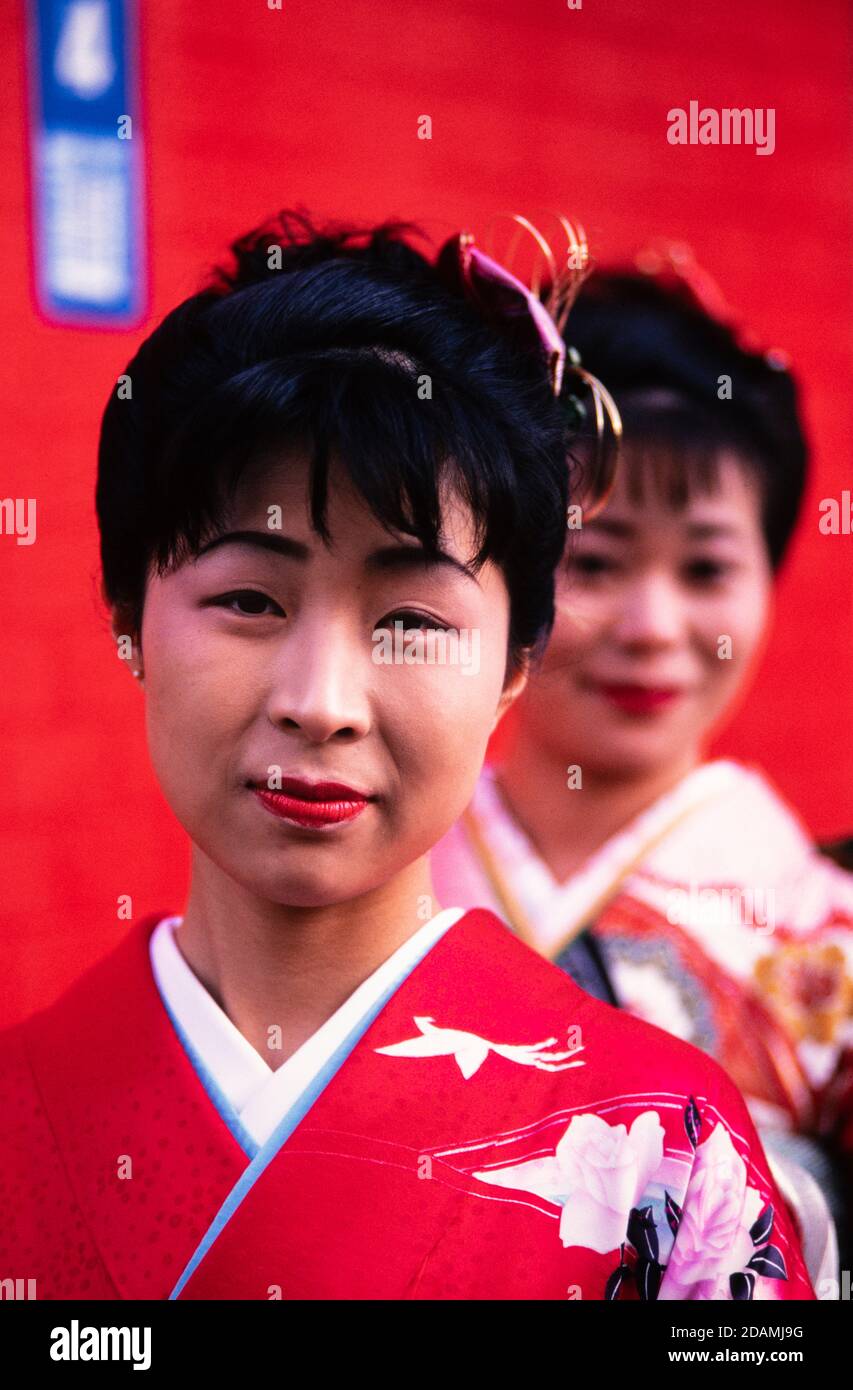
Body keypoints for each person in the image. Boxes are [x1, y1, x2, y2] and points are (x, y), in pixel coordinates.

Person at [0, 214, 814, 1300]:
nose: (320, 703)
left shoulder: (670, 1155)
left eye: (413, 619)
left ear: (519, 655)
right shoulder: (24, 1107)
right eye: (249, 598)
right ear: (129, 617)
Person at [432, 249, 853, 1276]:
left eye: (705, 566)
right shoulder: (381, 871)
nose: (653, 626)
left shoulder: (823, 930)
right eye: (597, 561)